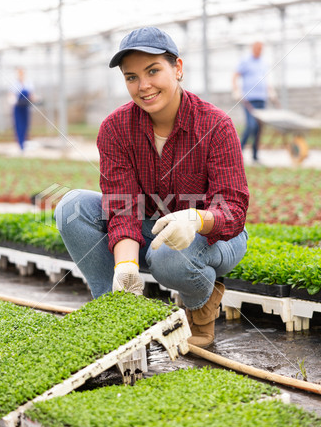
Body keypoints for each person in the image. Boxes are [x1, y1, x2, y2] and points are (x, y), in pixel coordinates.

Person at [55, 27, 249, 348]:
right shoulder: (116, 129)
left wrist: (196, 220)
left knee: (168, 257)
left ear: (178, 69)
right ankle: (116, 313)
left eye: (153, 71)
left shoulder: (215, 124)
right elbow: (123, 205)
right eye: (131, 77)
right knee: (71, 208)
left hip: (216, 237)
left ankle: (200, 306)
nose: (143, 86)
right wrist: (127, 267)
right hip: (150, 231)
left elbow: (234, 207)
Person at [232, 41, 270, 163]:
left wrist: (270, 91)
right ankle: (238, 152)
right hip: (249, 98)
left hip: (261, 98)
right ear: (252, 48)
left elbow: (265, 79)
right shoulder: (245, 61)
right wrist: (236, 90)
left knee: (259, 128)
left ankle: (255, 155)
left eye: (261, 48)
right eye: (258, 48)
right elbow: (235, 76)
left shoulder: (263, 63)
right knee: (251, 125)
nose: (260, 50)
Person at [10, 68, 35, 151]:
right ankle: (20, 144)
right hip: (17, 106)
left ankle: (23, 143)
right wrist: (13, 100)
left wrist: (34, 99)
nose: (21, 75)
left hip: (25, 106)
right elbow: (11, 95)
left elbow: (31, 95)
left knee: (25, 125)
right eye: (19, 73)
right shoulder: (14, 84)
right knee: (18, 125)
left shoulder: (28, 83)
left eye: (22, 73)